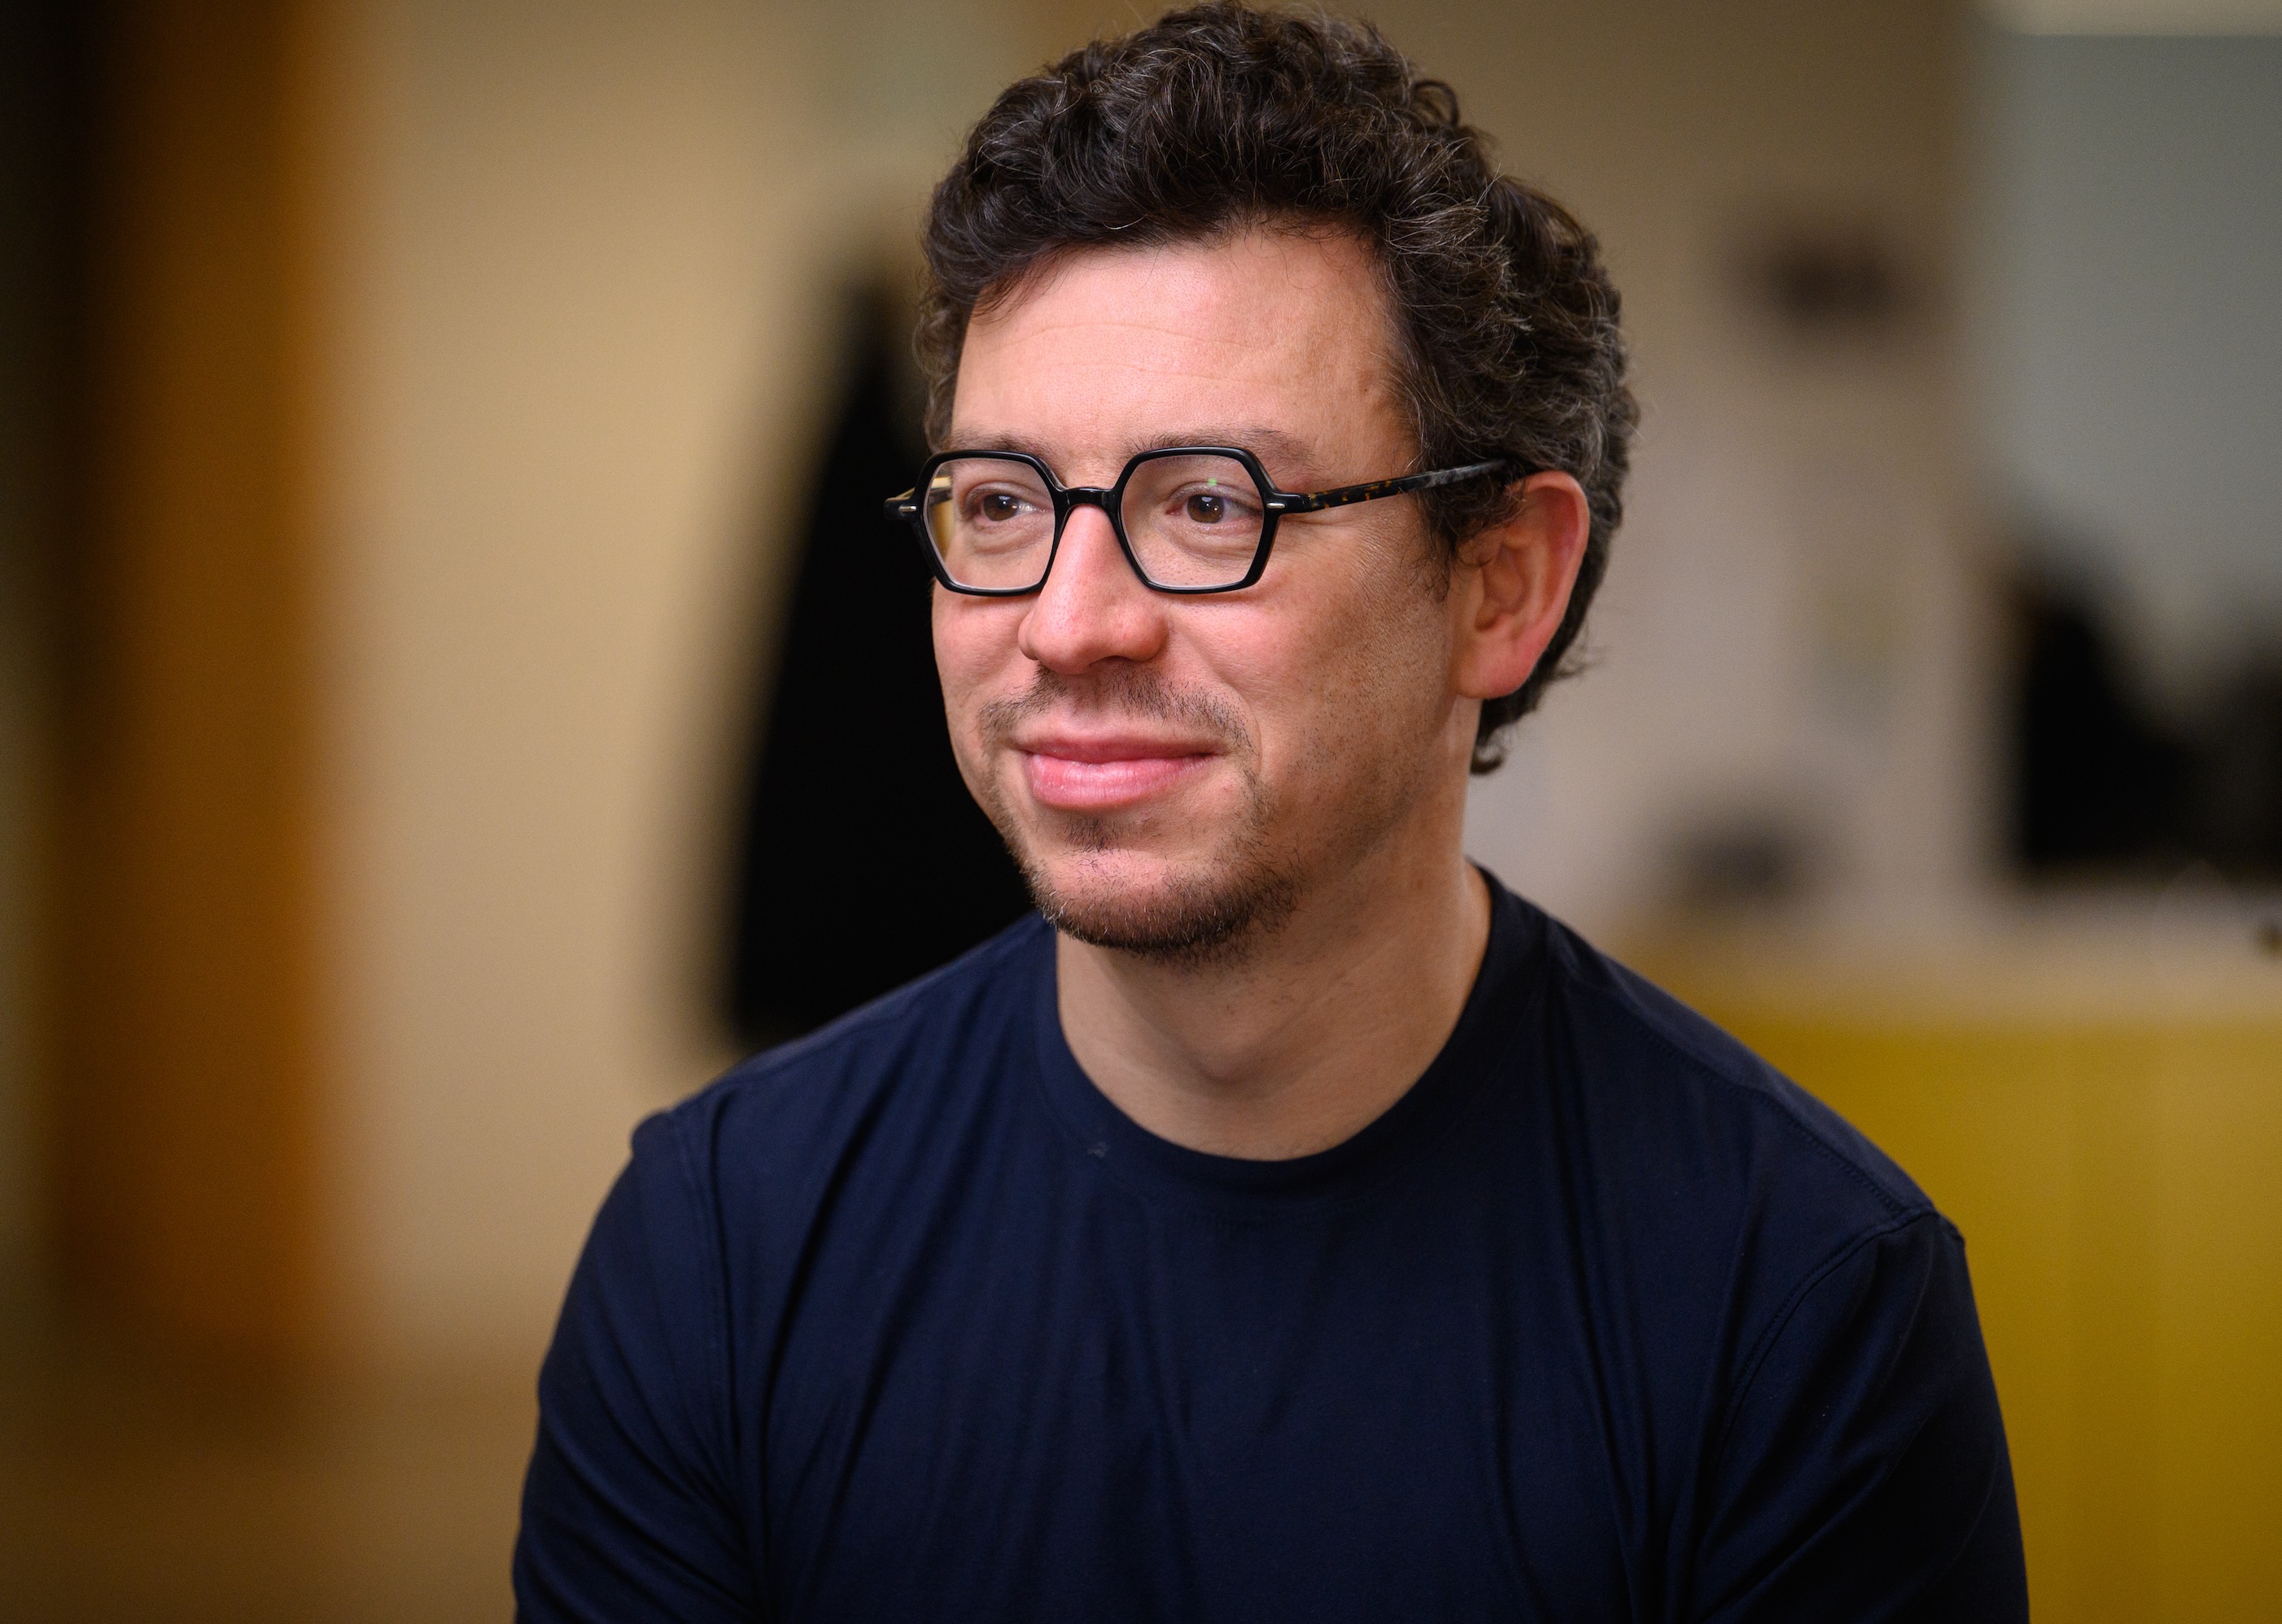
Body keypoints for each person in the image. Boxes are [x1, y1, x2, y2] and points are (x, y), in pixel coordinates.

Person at [514, 6, 2026, 1618]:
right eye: (1004, 504)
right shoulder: (723, 1249)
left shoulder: (1796, 1303)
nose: (1069, 621)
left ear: (1501, 585)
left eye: (1208, 503)